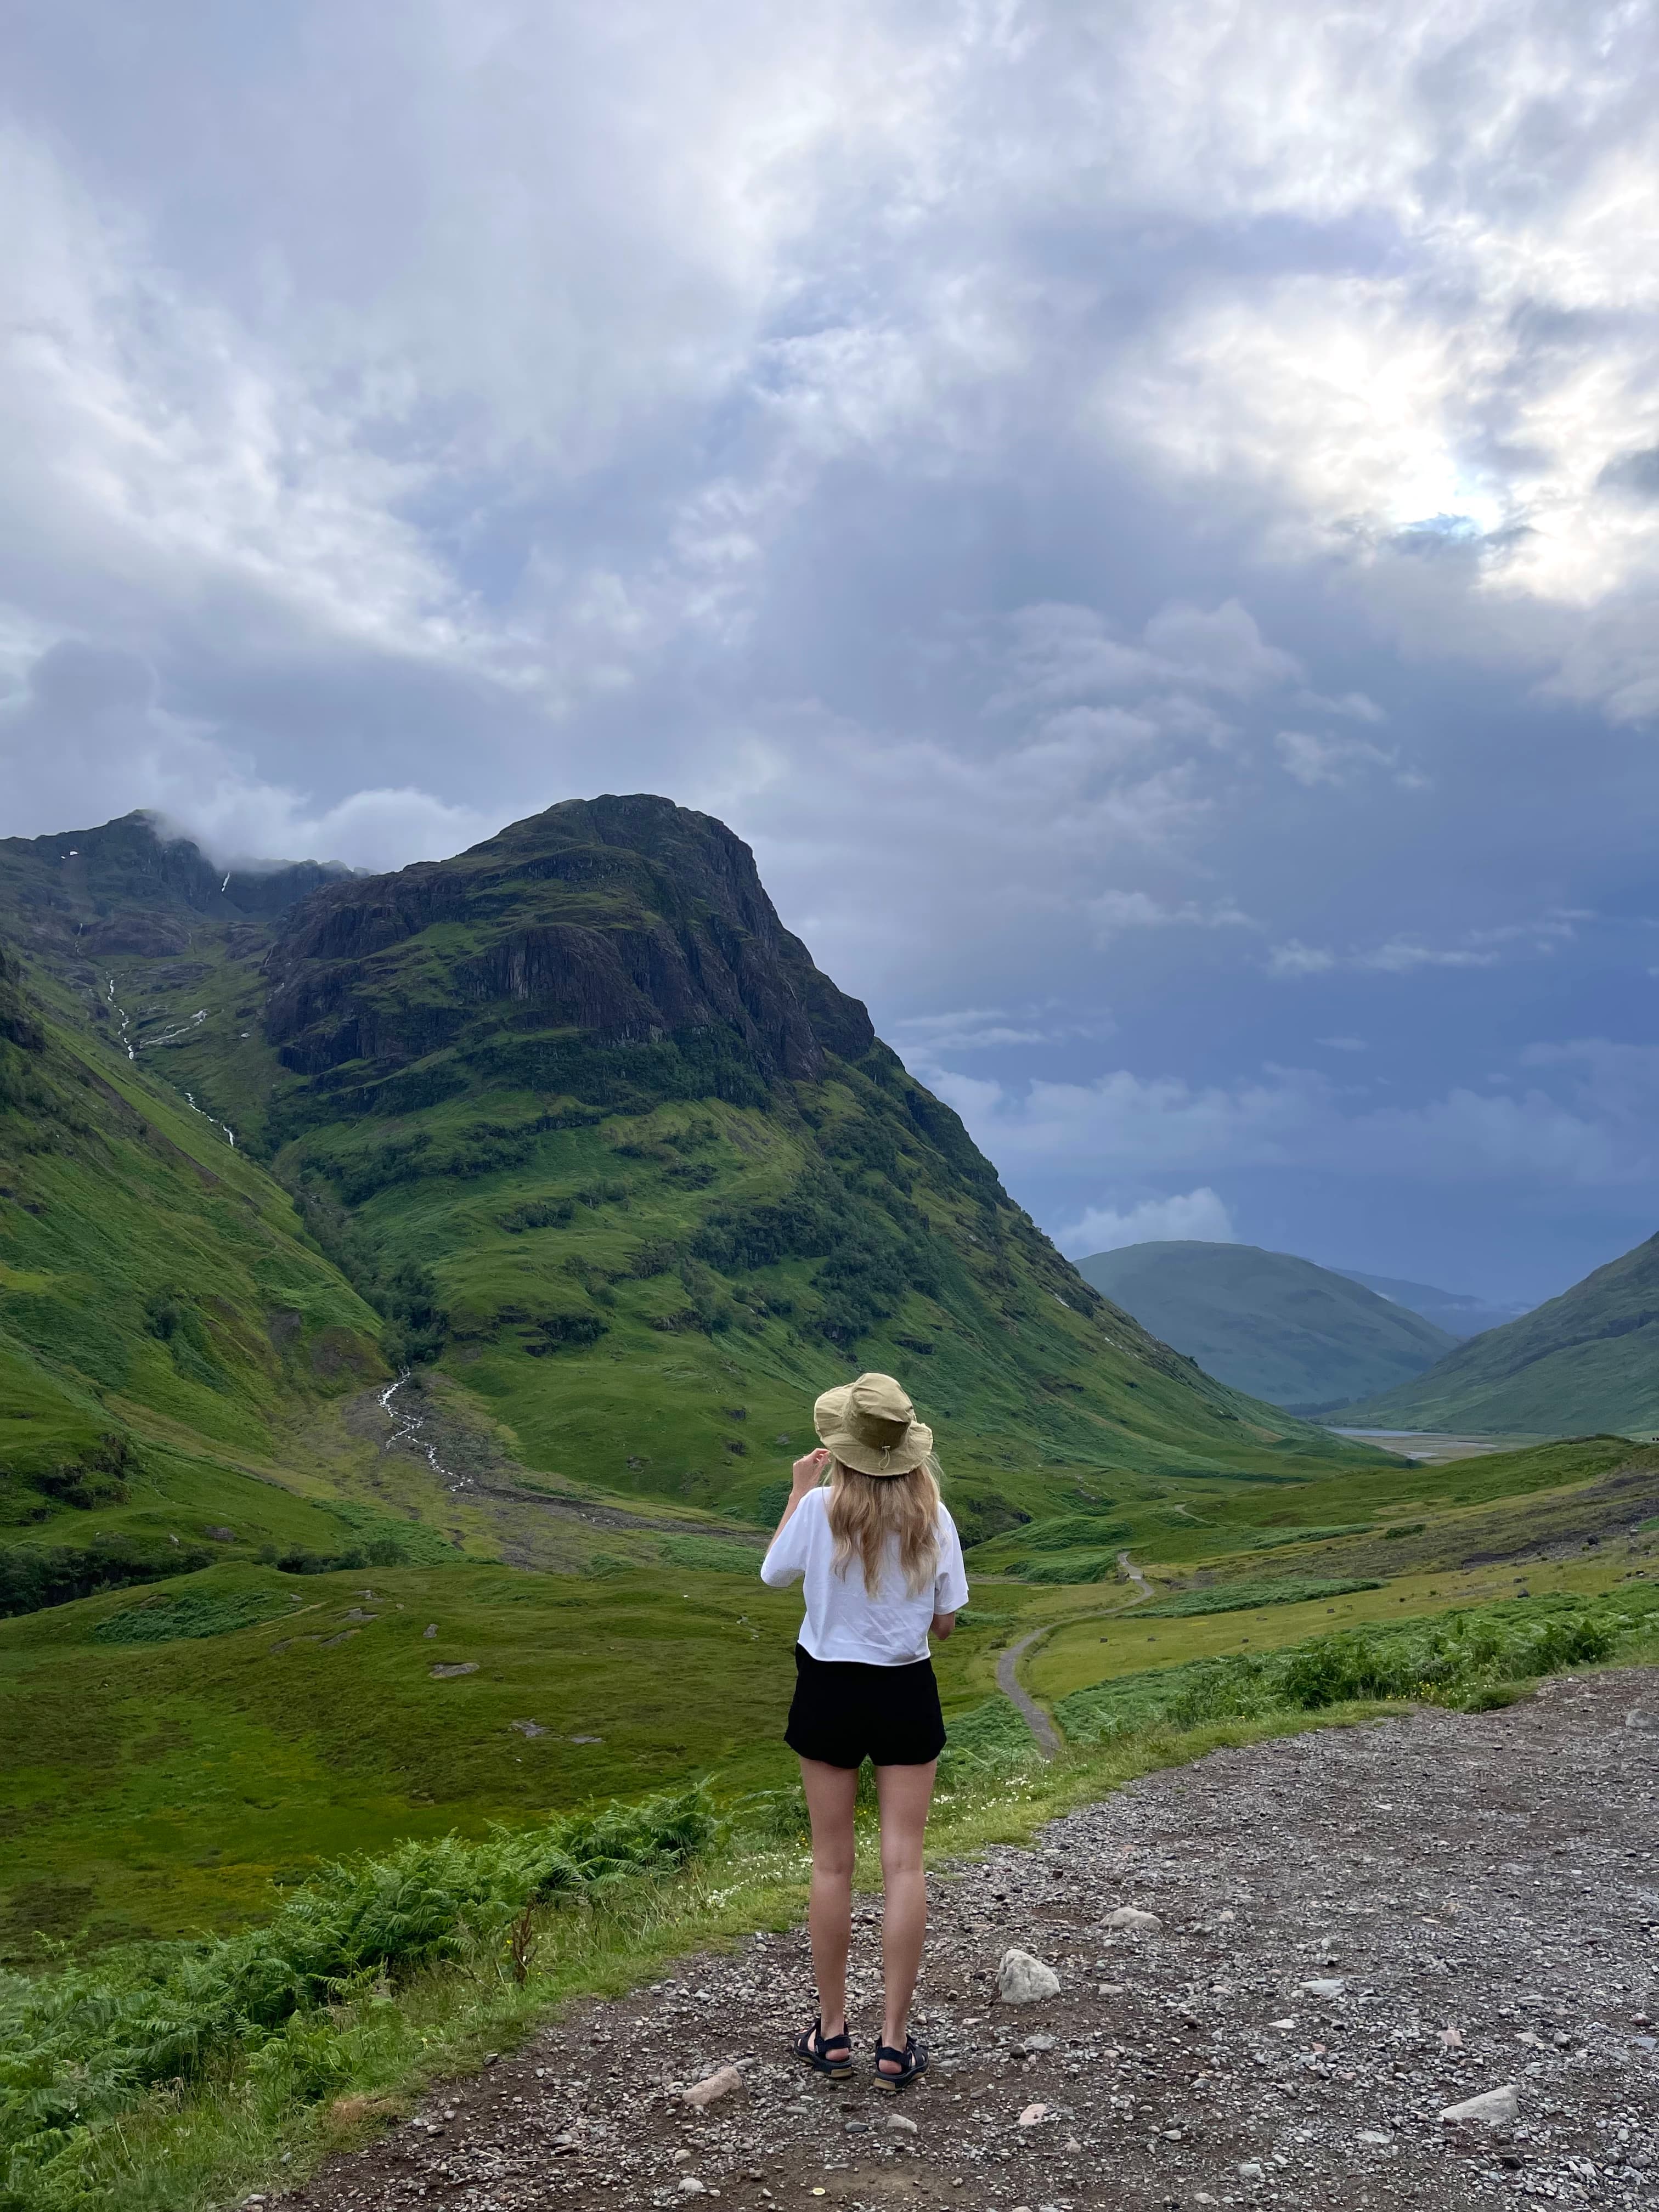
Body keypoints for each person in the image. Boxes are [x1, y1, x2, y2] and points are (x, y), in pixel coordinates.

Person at [760, 1370, 968, 2090]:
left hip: (828, 1687)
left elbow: (772, 1576)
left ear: (843, 1447)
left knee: (831, 1864)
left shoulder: (817, 1509)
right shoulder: (934, 1518)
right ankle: (894, 2044)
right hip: (906, 1686)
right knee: (905, 1863)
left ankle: (833, 2032)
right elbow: (945, 1621)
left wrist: (795, 1490)